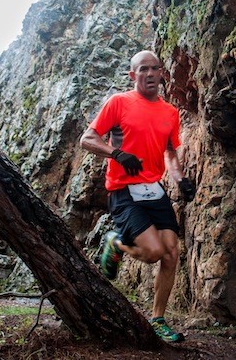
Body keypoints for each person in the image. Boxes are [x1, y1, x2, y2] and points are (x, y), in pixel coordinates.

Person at [79, 50, 195, 343]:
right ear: (133, 75)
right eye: (143, 69)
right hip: (123, 191)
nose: (150, 73)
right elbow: (88, 139)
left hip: (154, 191)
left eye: (155, 68)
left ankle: (157, 320)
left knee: (171, 253)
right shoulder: (119, 103)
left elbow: (170, 152)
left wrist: (180, 180)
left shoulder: (170, 113)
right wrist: (116, 153)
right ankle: (116, 243)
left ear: (161, 74)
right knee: (153, 252)